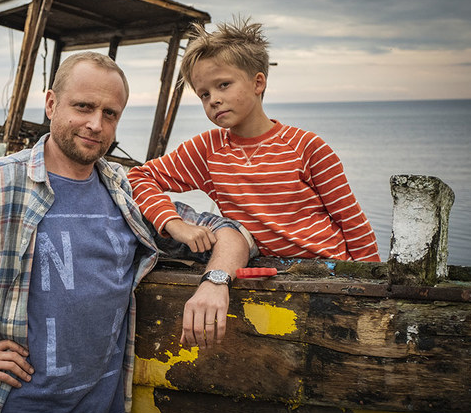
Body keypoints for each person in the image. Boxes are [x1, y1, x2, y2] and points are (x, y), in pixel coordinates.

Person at [0, 52, 253, 413]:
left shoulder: (124, 190)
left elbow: (230, 232)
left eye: (110, 114)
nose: (96, 125)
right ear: (51, 104)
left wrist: (215, 282)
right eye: (83, 107)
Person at [128, 18, 381, 262]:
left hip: (332, 270)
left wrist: (373, 287)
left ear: (258, 82)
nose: (213, 99)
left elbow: (352, 223)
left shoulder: (306, 147)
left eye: (224, 84)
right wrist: (174, 224)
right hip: (266, 278)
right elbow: (139, 177)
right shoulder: (208, 149)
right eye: (204, 94)